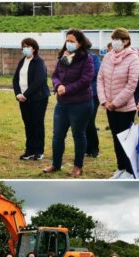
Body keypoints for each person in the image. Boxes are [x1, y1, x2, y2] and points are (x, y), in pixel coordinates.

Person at [44, 29, 94, 177]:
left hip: (81, 104)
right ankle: (56, 164)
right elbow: (55, 75)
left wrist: (67, 89)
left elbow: (86, 80)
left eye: (72, 41)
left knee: (78, 135)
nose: (68, 43)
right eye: (67, 40)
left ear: (80, 43)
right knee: (57, 135)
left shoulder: (87, 59)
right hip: (62, 104)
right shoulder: (63, 56)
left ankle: (78, 166)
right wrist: (58, 85)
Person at [97, 28, 139, 179]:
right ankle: (120, 168)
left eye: (117, 39)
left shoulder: (133, 58)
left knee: (126, 141)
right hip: (109, 106)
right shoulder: (108, 57)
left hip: (125, 108)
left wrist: (115, 103)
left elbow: (131, 85)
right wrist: (104, 100)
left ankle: (129, 171)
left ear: (126, 41)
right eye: (113, 39)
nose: (114, 42)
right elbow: (100, 79)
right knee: (116, 139)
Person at [12, 38, 50, 161]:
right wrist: (18, 93)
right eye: (23, 46)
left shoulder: (39, 62)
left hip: (38, 98)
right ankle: (29, 150)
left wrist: (26, 94)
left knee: (37, 124)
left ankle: (39, 150)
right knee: (28, 124)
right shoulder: (22, 61)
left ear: (34, 48)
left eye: (28, 46)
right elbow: (15, 79)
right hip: (23, 99)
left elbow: (38, 81)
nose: (25, 48)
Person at [86, 47, 102, 158]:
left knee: (89, 121)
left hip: (92, 94)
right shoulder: (72, 57)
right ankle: (86, 148)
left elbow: (96, 72)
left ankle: (94, 148)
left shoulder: (94, 57)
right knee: (82, 123)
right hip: (78, 94)